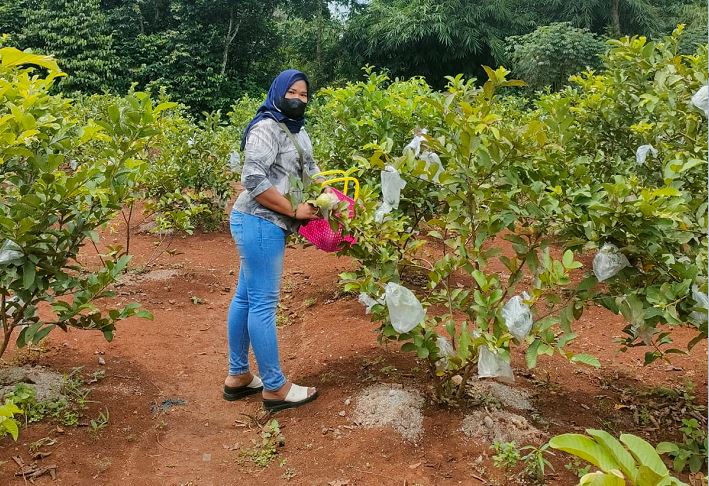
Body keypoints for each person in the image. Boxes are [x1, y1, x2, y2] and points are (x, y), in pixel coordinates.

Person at [223, 69, 322, 412]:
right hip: (259, 221)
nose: (298, 98)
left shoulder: (298, 131)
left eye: (305, 94)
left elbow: (311, 169)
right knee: (262, 303)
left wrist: (329, 197)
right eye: (292, 92)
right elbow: (252, 178)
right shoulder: (266, 127)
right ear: (279, 92)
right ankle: (275, 387)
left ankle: (238, 376)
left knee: (246, 298)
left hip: (263, 224)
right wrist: (294, 209)